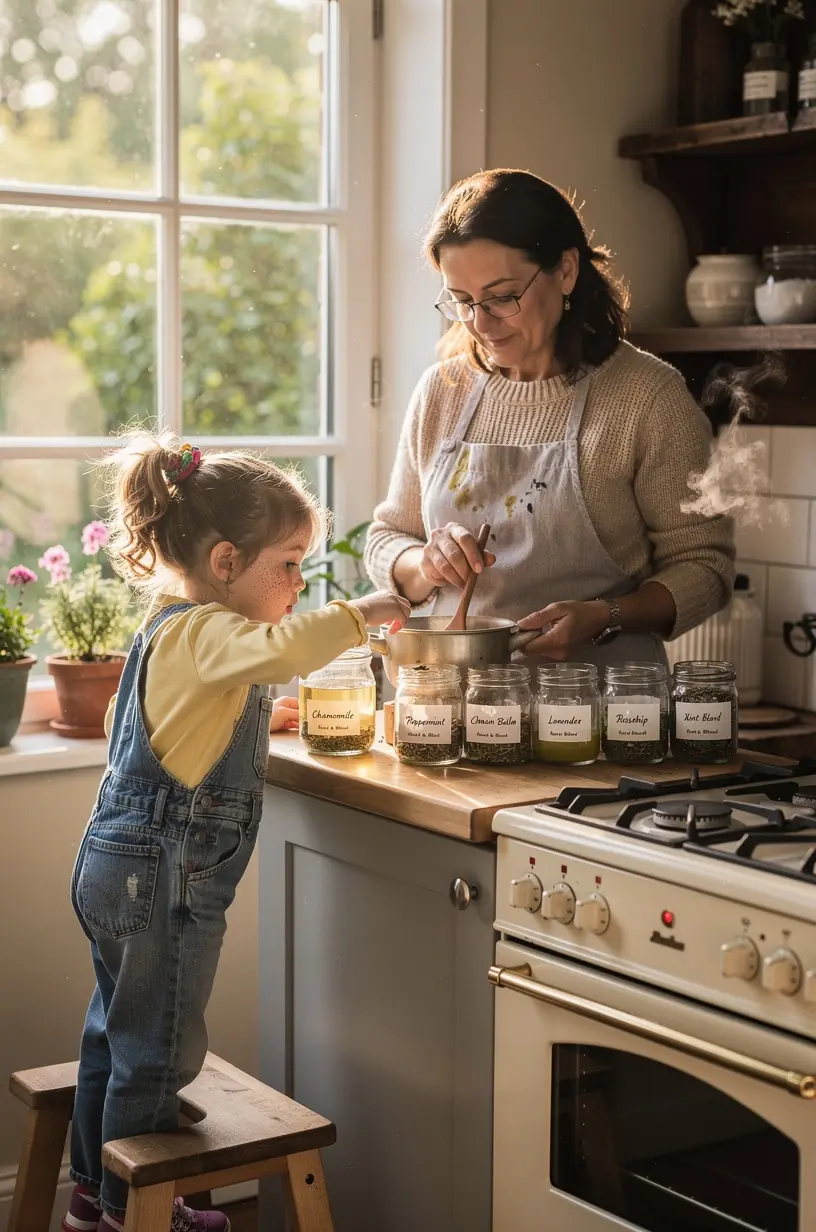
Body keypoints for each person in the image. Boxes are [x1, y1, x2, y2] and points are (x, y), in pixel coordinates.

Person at [62, 437, 408, 1232]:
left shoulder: (166, 627)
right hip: (166, 881)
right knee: (161, 1047)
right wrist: (366, 612)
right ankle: (133, 1211)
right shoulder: (212, 632)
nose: (298, 582)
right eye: (288, 564)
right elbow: (284, 649)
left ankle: (91, 1187)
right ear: (225, 562)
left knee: (113, 1030)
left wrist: (257, 717)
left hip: (115, 865)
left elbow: (148, 725)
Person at [365, 169, 735, 665]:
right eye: (461, 301)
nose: (480, 322)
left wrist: (605, 615)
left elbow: (705, 568)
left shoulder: (647, 397)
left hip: (603, 714)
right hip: (453, 704)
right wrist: (425, 563)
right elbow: (388, 539)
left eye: (502, 297)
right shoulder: (442, 391)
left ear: (565, 270)